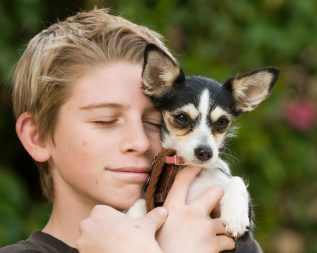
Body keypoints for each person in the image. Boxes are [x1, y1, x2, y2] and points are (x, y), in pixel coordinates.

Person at [0, 8, 236, 253]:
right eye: (105, 120)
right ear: (36, 137)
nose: (140, 142)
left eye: (156, 123)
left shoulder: (227, 237)